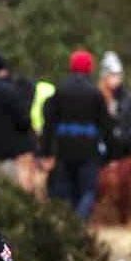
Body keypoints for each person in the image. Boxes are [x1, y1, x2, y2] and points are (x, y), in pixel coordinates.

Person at [40, 49, 112, 220]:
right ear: (90, 68)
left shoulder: (60, 90)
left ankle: (67, 225)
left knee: (65, 190)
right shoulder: (95, 93)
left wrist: (46, 152)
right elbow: (106, 126)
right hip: (88, 150)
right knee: (87, 190)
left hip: (64, 149)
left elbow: (49, 123)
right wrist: (111, 155)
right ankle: (79, 224)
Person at [97, 51, 131, 223]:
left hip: (122, 146)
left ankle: (123, 216)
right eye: (112, 75)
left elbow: (128, 118)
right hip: (103, 146)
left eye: (118, 75)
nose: (116, 79)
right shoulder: (98, 94)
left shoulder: (126, 96)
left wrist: (129, 132)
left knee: (125, 182)